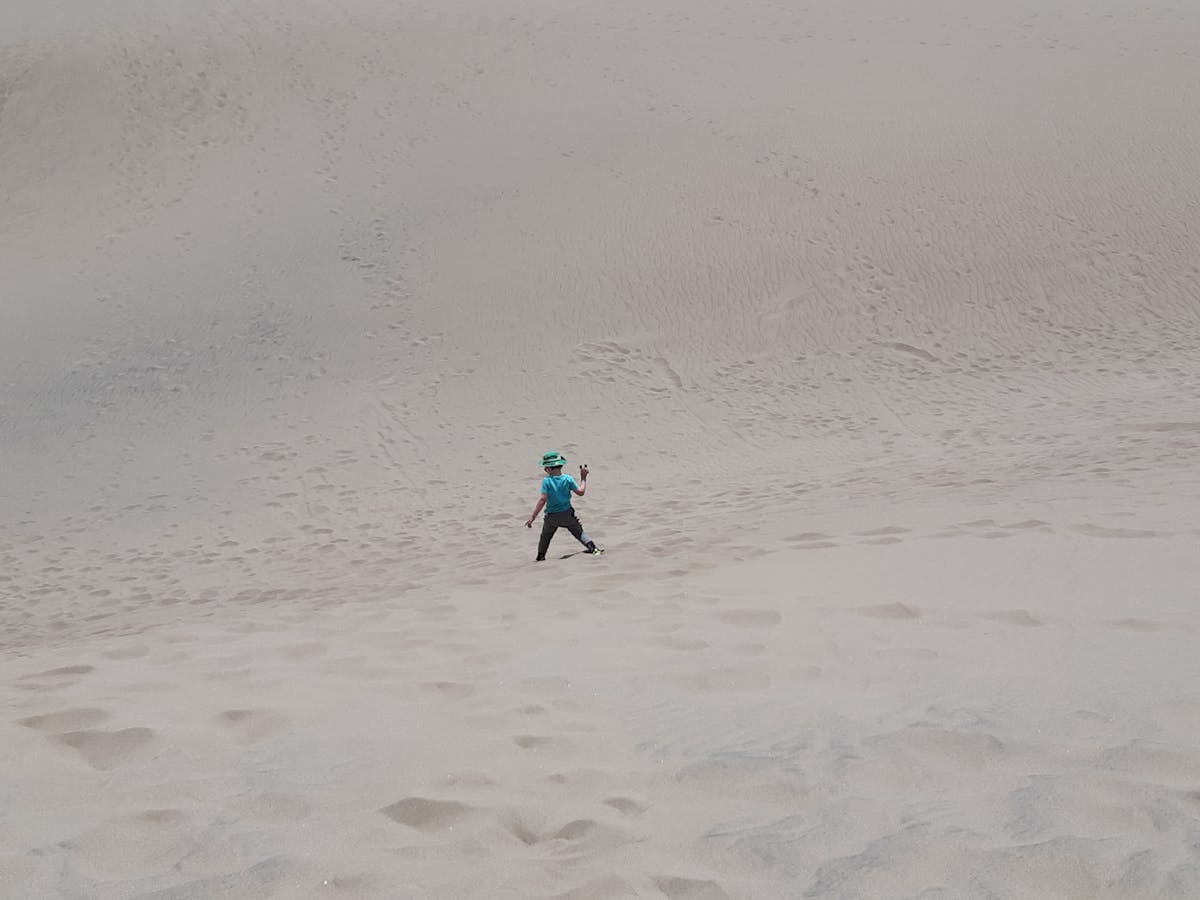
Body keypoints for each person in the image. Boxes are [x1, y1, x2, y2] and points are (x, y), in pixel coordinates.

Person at [525, 451, 603, 561]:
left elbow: (543, 499)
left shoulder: (546, 481)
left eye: (545, 467)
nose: (545, 470)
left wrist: (533, 516)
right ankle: (593, 548)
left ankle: (540, 556)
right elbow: (581, 492)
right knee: (579, 532)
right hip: (567, 514)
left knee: (545, 536)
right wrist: (583, 478)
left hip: (551, 516)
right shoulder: (568, 479)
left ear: (550, 468)